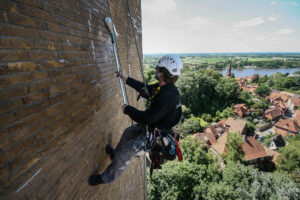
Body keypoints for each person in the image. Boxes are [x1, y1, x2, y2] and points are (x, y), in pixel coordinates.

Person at [88, 54, 183, 186]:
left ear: (162, 73)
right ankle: (115, 155)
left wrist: (128, 110)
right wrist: (125, 77)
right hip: (152, 126)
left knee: (125, 154)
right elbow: (146, 89)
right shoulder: (163, 87)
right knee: (128, 133)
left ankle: (104, 178)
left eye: (157, 68)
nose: (156, 70)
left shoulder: (168, 96)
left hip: (154, 133)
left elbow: (146, 118)